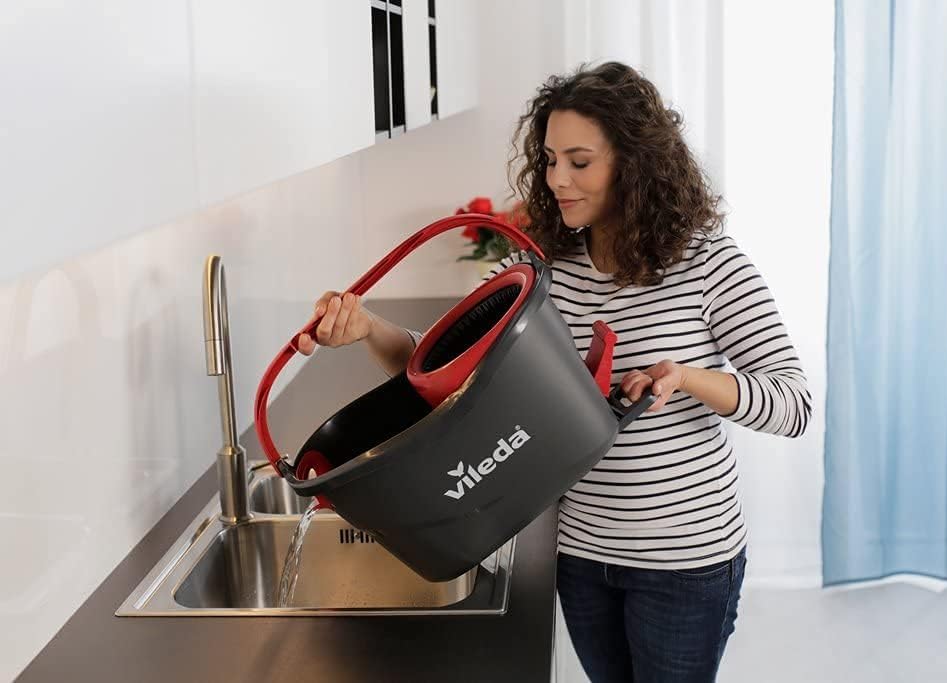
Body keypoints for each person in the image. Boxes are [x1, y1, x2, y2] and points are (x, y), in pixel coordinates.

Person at [298, 62, 811, 683]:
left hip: (684, 561)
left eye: (579, 161)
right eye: (548, 160)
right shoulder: (538, 269)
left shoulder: (710, 266)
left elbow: (794, 405)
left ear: (635, 163)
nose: (557, 180)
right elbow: (440, 372)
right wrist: (368, 330)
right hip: (582, 555)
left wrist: (691, 378)